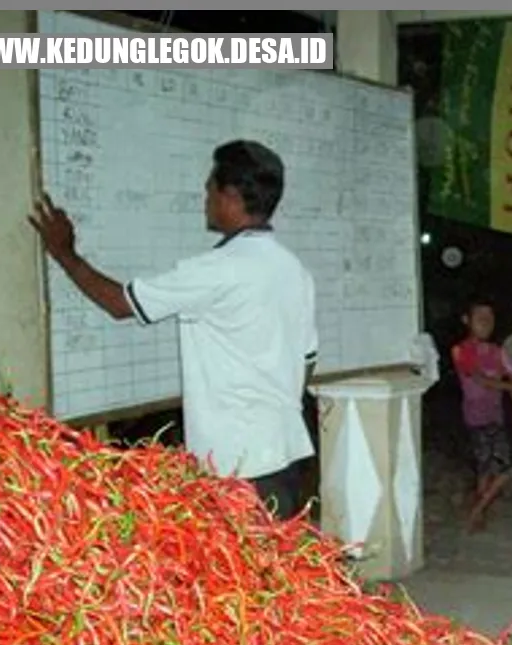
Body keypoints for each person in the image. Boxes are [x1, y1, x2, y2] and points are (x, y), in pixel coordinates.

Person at [28, 140, 318, 521]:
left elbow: (120, 303)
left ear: (230, 196)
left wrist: (64, 252)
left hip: (239, 463)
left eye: (209, 187)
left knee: (240, 574)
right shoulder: (293, 270)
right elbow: (308, 360)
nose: (204, 196)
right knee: (276, 569)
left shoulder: (219, 269)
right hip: (283, 452)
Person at [451, 298, 512, 532]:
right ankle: (477, 512)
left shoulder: (496, 351)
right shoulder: (461, 350)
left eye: (489, 318)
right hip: (476, 417)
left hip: (495, 416)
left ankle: (478, 511)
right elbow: (480, 379)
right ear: (466, 320)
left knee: (495, 468)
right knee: (493, 468)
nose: (486, 323)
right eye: (480, 318)